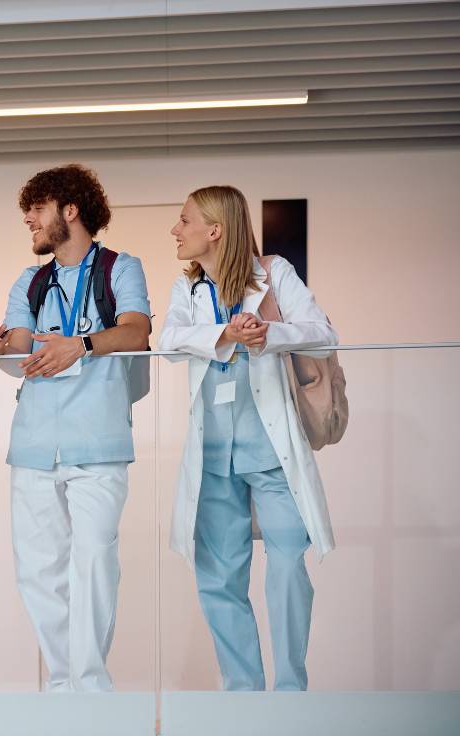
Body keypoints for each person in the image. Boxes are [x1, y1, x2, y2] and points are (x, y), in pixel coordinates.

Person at [0, 165, 151, 692]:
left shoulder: (120, 268)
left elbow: (136, 332)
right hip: (33, 446)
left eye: (37, 209)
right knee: (39, 574)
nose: (28, 219)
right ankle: (63, 685)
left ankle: (90, 688)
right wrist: (0, 350)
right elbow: (21, 355)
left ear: (71, 210)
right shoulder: (29, 281)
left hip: (98, 446)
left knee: (93, 567)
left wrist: (83, 344)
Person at [160, 185, 336, 691]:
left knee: (288, 564)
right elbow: (168, 341)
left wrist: (266, 333)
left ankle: (290, 689)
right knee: (219, 578)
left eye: (185, 220)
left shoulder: (274, 274)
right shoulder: (187, 288)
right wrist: (224, 335)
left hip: (271, 451)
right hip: (214, 454)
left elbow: (322, 333)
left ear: (215, 230)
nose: (176, 230)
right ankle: (244, 693)